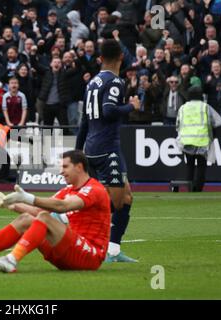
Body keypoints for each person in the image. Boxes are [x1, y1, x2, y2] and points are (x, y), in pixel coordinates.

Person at [0, 150, 111, 272]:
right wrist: (8, 203)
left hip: (90, 256)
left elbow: (63, 207)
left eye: (65, 167)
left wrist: (26, 197)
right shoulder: (69, 189)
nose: (61, 171)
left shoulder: (94, 189)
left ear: (79, 167)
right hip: (68, 253)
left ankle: (11, 260)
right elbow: (37, 210)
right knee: (26, 218)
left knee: (44, 216)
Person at [75, 39, 141, 263]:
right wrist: (132, 106)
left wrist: (77, 151)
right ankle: (69, 220)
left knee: (127, 197)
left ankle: (113, 250)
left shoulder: (92, 82)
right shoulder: (115, 82)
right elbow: (110, 111)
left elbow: (84, 120)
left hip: (93, 147)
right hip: (107, 149)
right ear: (121, 57)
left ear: (100, 58)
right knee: (113, 203)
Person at [176, 86, 221, 192]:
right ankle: (198, 189)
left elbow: (177, 125)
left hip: (187, 141)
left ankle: (189, 188)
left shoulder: (183, 107)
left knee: (189, 165)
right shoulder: (205, 107)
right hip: (202, 141)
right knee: (201, 166)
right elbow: (218, 121)